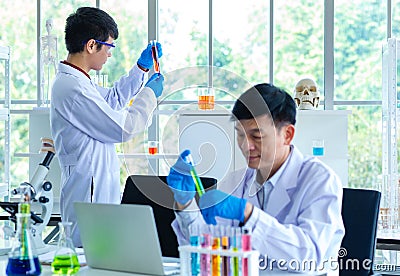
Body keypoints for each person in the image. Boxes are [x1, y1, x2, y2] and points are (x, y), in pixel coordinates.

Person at [167, 83, 345, 272]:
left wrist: (249, 215)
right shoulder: (237, 180)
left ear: (287, 135)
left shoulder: (320, 180)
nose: (246, 146)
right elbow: (208, 248)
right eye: (240, 135)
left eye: (256, 136)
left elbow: (312, 257)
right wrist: (185, 204)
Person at [50, 7, 164, 246]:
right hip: (89, 199)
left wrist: (141, 69)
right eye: (109, 47)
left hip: (97, 195)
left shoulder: (79, 82)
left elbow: (111, 100)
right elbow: (123, 128)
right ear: (92, 45)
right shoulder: (73, 88)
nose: (110, 54)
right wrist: (149, 96)